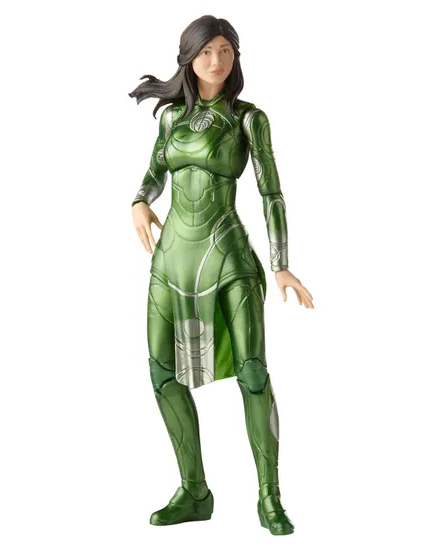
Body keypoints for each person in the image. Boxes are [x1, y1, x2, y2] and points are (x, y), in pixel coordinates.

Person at [129, 15, 313, 536]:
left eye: (226, 50)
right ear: (189, 57)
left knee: (253, 372)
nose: (217, 61)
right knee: (161, 374)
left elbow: (271, 193)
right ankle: (194, 492)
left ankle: (269, 497)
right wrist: (138, 201)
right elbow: (154, 171)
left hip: (229, 257)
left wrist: (280, 264)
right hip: (170, 261)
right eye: (207, 51)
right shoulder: (171, 118)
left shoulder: (248, 119)